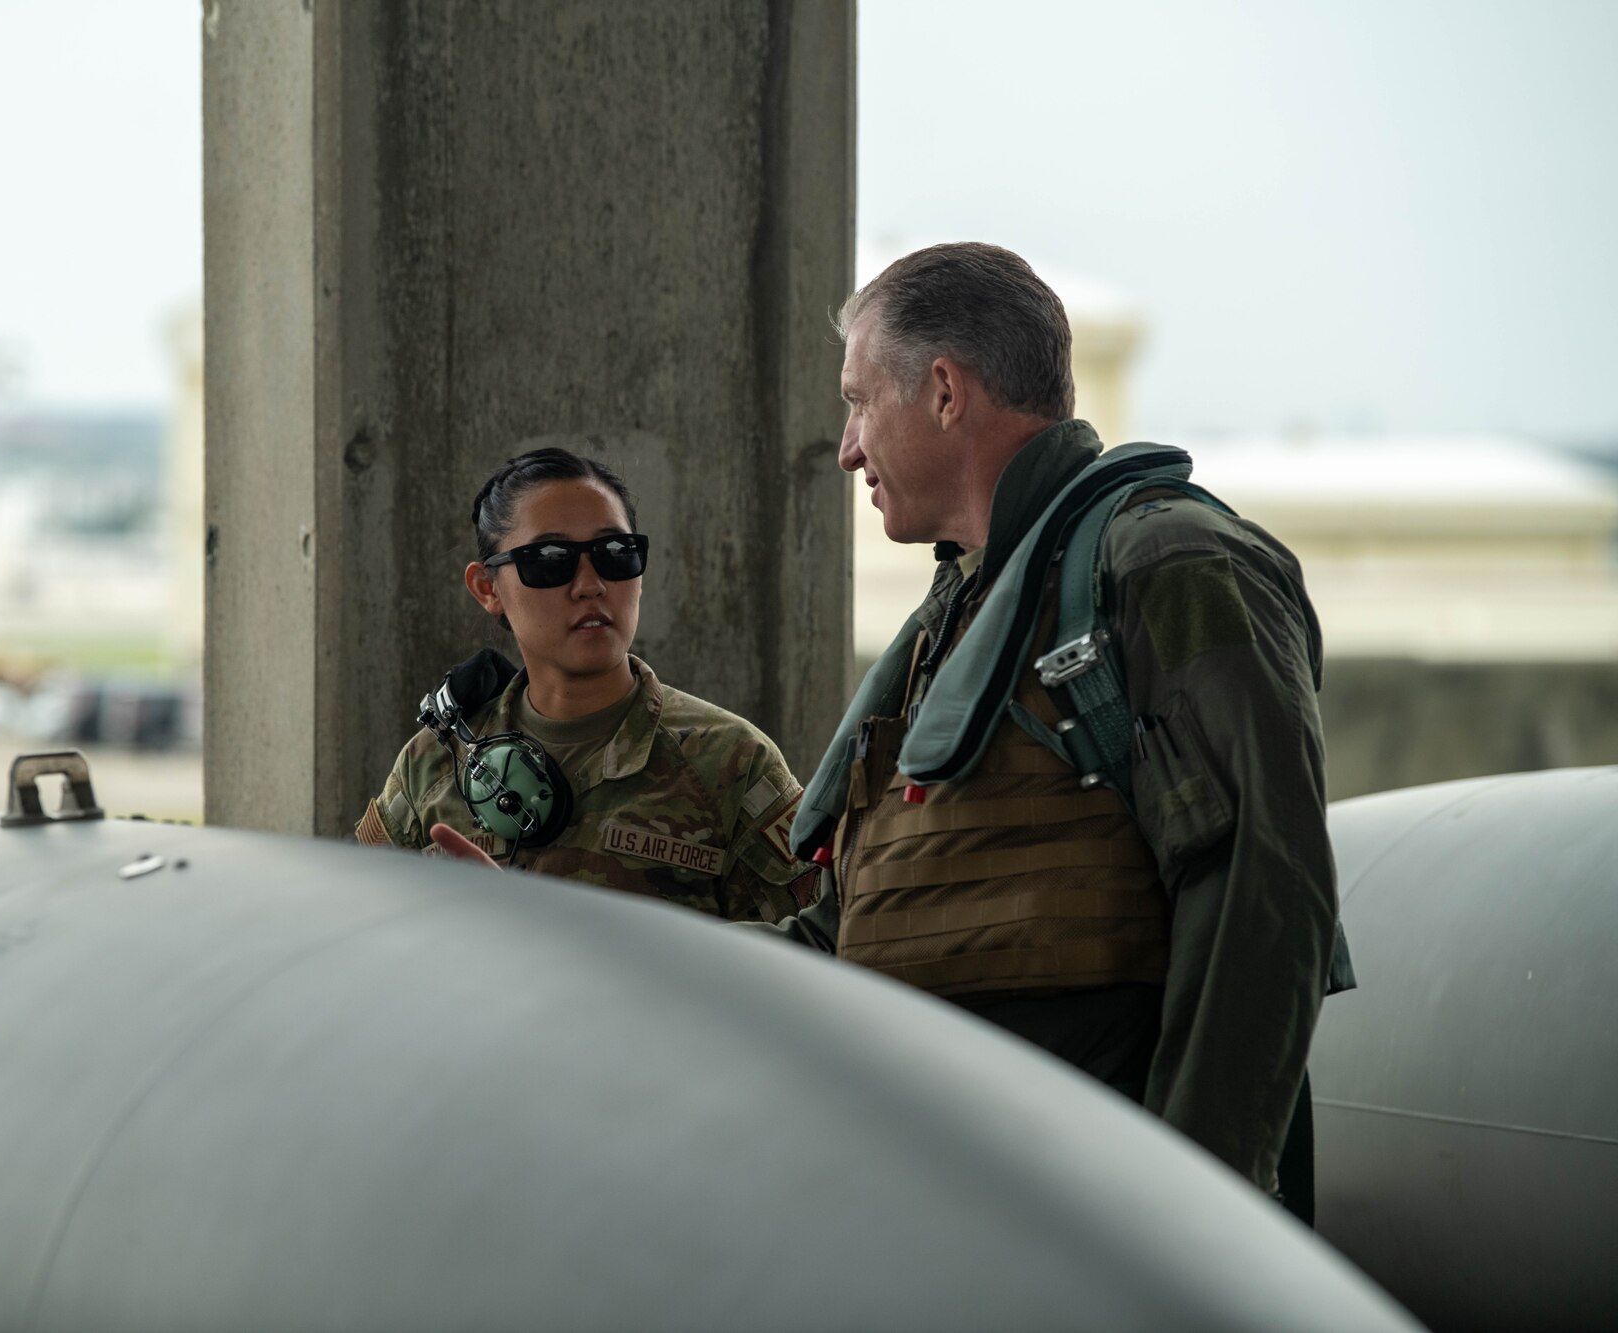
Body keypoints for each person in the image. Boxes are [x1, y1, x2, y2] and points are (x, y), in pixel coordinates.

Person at [761, 242, 1350, 1212]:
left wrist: (1196, 1219)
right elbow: (843, 940)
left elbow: (1262, 883)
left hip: (1101, 1223)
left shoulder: (1167, 559)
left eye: (857, 401)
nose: (846, 448)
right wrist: (573, 941)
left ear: (945, 392)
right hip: (951, 1211)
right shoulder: (956, 627)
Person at [355, 447, 819, 924]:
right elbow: (357, 937)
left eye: (615, 554)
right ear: (488, 589)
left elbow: (819, 951)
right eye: (550, 559)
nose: (590, 584)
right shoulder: (433, 764)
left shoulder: (729, 763)